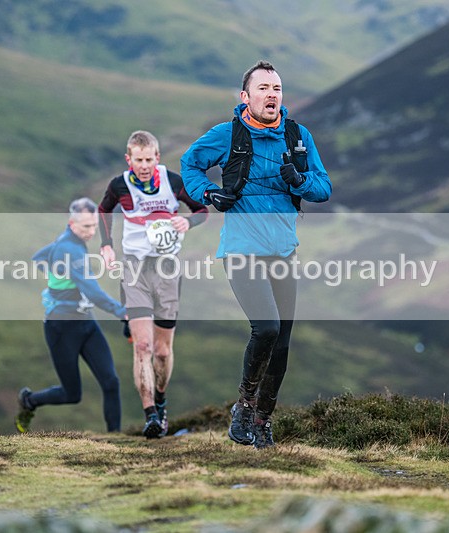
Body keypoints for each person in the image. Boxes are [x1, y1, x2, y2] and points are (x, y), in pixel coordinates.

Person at [180, 61, 331, 448]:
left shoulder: (298, 136)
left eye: (277, 89)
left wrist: (300, 180)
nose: (271, 95)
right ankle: (244, 407)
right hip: (242, 250)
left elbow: (323, 187)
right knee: (265, 328)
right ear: (245, 97)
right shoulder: (227, 134)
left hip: (283, 252)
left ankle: (263, 421)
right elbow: (190, 165)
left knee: (282, 343)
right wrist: (208, 194)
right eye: (263, 88)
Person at [98, 130, 208, 438]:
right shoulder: (119, 185)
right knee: (143, 346)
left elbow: (201, 211)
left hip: (167, 269)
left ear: (157, 158)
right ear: (128, 159)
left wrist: (188, 221)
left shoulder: (173, 182)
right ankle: (150, 416)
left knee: (161, 351)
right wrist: (106, 245)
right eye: (138, 160)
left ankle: (161, 399)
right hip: (134, 270)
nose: (144, 165)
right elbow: (104, 210)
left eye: (148, 160)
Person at [15, 198, 127, 434]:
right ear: (71, 223)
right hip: (61, 328)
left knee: (111, 382)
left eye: (94, 226)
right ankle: (30, 400)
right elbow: (92, 290)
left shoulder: (68, 242)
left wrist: (57, 280)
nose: (91, 232)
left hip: (85, 322)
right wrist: (121, 312)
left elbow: (38, 257)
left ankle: (116, 438)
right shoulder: (69, 248)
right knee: (72, 394)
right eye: (86, 226)